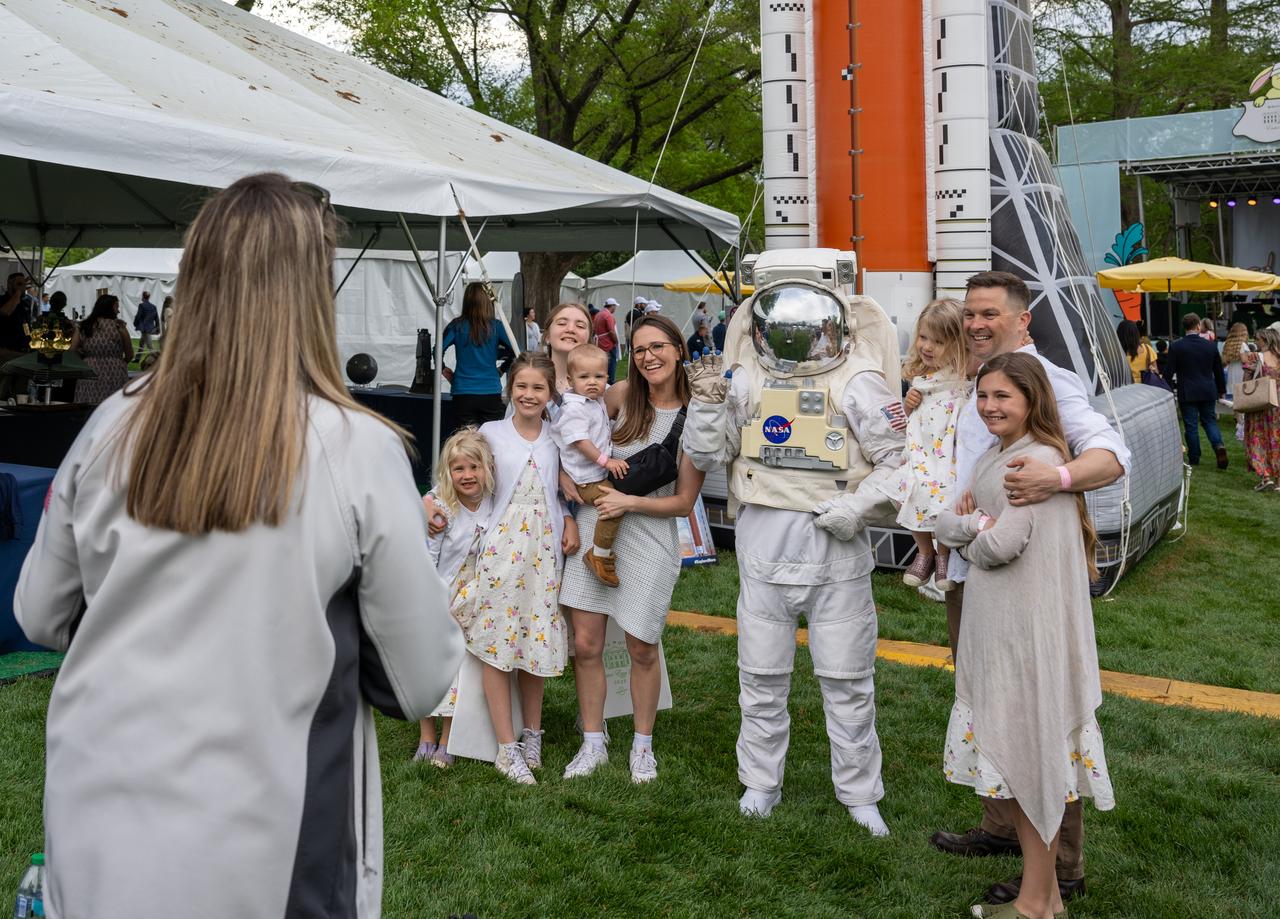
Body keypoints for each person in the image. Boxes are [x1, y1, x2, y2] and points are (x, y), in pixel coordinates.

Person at [14, 172, 462, 918]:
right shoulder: (355, 448)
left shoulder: (110, 427)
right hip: (269, 848)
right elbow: (419, 679)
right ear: (312, 291)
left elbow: (41, 611)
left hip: (99, 822)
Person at [928, 271, 1128, 909]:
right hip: (978, 582)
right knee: (993, 706)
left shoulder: (1046, 381)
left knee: (1034, 711)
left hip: (1018, 585)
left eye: (989, 313)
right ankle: (1001, 826)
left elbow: (1111, 454)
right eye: (970, 314)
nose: (976, 324)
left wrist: (1058, 476)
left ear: (1024, 319)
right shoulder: (978, 383)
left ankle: (1059, 868)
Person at [682, 270, 905, 836]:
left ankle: (859, 793)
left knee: (848, 678)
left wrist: (858, 509)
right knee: (759, 676)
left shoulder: (860, 380)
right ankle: (760, 782)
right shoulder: (744, 378)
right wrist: (707, 406)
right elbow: (709, 453)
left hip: (835, 544)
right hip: (763, 542)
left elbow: (900, 463)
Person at [560, 314, 706, 785]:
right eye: (640, 349)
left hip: (649, 535)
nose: (649, 357)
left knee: (643, 645)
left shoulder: (696, 413)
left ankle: (642, 745)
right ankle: (593, 741)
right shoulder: (619, 395)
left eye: (657, 346)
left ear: (678, 348)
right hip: (595, 523)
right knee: (586, 644)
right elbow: (564, 427)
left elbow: (684, 502)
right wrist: (566, 482)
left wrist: (629, 500)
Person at [454, 352, 577, 785]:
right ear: (510, 390)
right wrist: (435, 505)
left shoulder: (558, 437)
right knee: (499, 641)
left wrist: (572, 521)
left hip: (543, 554)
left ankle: (532, 734)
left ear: (550, 394)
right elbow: (460, 473)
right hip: (501, 551)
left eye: (537, 388)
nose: (528, 394)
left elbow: (565, 489)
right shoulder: (490, 433)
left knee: (533, 638)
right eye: (521, 386)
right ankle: (506, 748)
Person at [416, 427, 497, 767]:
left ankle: (449, 740)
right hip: (441, 591)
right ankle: (426, 737)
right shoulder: (443, 508)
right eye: (458, 469)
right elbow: (428, 555)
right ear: (448, 473)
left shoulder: (495, 504)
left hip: (476, 598)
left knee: (460, 670)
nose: (467, 475)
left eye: (473, 467)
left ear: (487, 468)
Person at [894, 298, 971, 591]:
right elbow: (919, 420)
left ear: (957, 345)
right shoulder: (921, 379)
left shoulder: (962, 380)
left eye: (938, 341)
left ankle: (943, 554)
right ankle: (925, 551)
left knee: (941, 500)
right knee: (907, 490)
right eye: (924, 337)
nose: (927, 346)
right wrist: (909, 405)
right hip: (922, 452)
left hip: (945, 456)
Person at [552, 343, 630, 587]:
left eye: (599, 376)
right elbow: (581, 442)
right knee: (614, 505)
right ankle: (598, 554)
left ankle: (602, 551)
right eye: (584, 377)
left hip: (593, 474)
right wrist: (606, 460)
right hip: (584, 479)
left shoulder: (594, 401)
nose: (592, 382)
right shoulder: (574, 408)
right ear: (570, 379)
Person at [442, 282, 517, 427]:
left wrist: (444, 369)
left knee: (466, 443)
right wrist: (502, 369)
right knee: (492, 442)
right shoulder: (497, 326)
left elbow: (437, 349)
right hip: (490, 391)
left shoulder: (456, 325)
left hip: (463, 392)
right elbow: (515, 350)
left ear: (467, 301)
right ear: (487, 301)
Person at [1165, 312, 1228, 469]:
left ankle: (1194, 456)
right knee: (1209, 421)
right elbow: (1218, 371)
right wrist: (1221, 389)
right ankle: (1218, 445)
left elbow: (1168, 372)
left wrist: (1167, 389)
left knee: (1191, 425)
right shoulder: (1210, 346)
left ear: (1184, 327)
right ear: (1198, 325)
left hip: (1187, 391)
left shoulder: (1176, 346)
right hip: (1208, 389)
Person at [72, 294, 133, 404]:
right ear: (109, 308)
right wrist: (119, 362)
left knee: (87, 405)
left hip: (89, 370)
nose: (118, 311)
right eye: (116, 307)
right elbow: (130, 354)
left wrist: (83, 361)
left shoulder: (83, 326)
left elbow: (72, 350)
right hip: (115, 371)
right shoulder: (119, 327)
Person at [1240, 328, 1280, 491]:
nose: (1255, 342)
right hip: (1277, 405)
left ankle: (1266, 476)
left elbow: (1246, 380)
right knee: (1276, 440)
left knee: (1258, 437)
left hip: (1260, 403)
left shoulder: (1256, 357)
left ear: (1265, 340)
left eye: (1257, 339)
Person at [0, 272, 35, 399]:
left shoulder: (24, 304)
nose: (22, 287)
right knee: (3, 389)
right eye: (19, 284)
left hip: (23, 353)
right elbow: (6, 312)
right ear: (10, 284)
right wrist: (18, 293)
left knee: (21, 392)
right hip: (6, 352)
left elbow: (26, 326)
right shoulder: (3, 301)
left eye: (23, 284)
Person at [1116, 318, 1160, 385]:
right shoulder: (1147, 349)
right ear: (1136, 333)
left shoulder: (1116, 353)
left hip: (1124, 390)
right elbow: (1156, 372)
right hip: (1145, 389)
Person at [593, 297, 620, 382]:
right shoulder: (608, 316)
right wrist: (616, 342)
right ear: (611, 306)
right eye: (615, 306)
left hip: (599, 343)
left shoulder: (599, 314)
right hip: (608, 344)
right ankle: (610, 381)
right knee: (611, 364)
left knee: (600, 364)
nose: (615, 308)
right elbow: (612, 331)